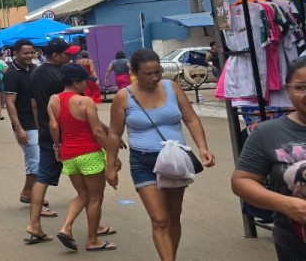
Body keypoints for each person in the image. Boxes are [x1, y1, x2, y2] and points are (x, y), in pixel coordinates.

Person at [106, 48, 215, 261]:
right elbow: (114, 133)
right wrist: (111, 165)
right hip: (143, 162)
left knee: (173, 217)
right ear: (134, 72)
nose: (154, 77)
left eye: (158, 71)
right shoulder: (124, 97)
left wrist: (203, 147)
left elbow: (191, 119)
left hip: (176, 160)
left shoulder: (172, 87)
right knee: (159, 220)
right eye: (148, 74)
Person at [232, 57, 306, 259]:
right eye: (300, 87)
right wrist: (286, 204)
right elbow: (242, 181)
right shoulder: (267, 133)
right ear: (288, 90)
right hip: (295, 244)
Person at [48, 63, 117, 252]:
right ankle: (92, 240)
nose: (88, 84)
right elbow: (96, 131)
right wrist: (112, 154)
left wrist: (57, 147)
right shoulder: (85, 102)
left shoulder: (53, 100)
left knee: (83, 195)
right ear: (76, 82)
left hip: (69, 154)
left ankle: (66, 227)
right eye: (85, 81)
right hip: (89, 153)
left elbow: (54, 127)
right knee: (95, 198)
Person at [24, 38, 79, 242]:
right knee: (86, 178)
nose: (70, 57)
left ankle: (34, 224)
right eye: (67, 54)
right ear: (55, 56)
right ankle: (94, 225)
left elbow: (34, 104)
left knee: (42, 178)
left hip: (46, 131)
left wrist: (41, 126)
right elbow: (72, 104)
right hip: (66, 132)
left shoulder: (35, 73)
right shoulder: (63, 75)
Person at [2, 39, 53, 218]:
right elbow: (10, 103)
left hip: (38, 122)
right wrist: (19, 129)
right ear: (16, 53)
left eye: (32, 52)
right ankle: (35, 201)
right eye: (25, 53)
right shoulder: (11, 74)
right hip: (25, 124)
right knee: (36, 163)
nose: (30, 56)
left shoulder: (34, 70)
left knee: (39, 161)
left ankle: (27, 193)